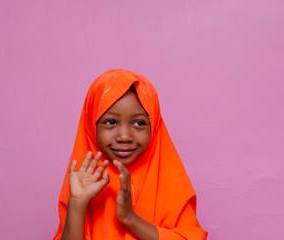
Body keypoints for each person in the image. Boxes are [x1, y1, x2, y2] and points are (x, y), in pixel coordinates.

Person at [54, 69, 207, 240]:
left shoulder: (172, 184)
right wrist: (77, 204)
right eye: (110, 122)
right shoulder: (81, 183)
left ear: (153, 127)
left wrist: (129, 219)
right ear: (91, 127)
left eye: (138, 122)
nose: (125, 136)